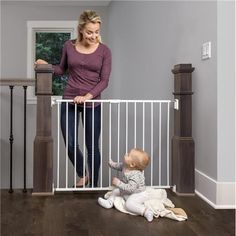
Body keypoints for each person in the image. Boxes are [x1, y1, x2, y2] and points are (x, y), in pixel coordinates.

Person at [35, 10, 112, 188]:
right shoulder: (69, 46)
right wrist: (45, 65)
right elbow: (61, 69)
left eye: (97, 32)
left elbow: (104, 80)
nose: (94, 36)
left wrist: (87, 96)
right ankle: (82, 174)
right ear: (81, 30)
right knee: (70, 143)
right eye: (89, 32)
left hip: (92, 102)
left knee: (92, 146)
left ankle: (93, 185)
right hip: (69, 99)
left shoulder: (104, 51)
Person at [98, 148, 154, 222]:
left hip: (138, 193)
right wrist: (111, 164)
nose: (125, 154)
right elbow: (118, 166)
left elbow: (131, 188)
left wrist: (118, 183)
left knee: (128, 204)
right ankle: (109, 202)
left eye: (128, 155)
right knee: (115, 191)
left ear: (132, 164)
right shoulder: (125, 166)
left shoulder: (135, 175)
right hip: (130, 191)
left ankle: (146, 211)